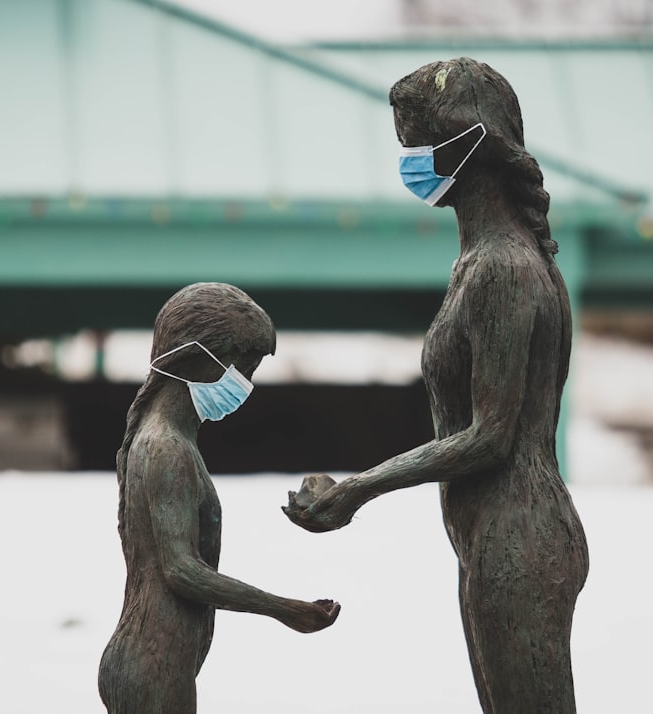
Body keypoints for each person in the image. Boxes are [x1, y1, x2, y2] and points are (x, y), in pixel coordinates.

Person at [284, 58, 589, 713]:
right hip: (491, 536)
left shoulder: (503, 270)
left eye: (416, 145)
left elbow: (491, 437)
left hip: (520, 538)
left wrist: (359, 488)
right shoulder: (479, 264)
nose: (410, 162)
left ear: (470, 143)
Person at [99, 282, 340, 714]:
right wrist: (284, 609)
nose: (246, 383)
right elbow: (181, 571)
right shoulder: (166, 447)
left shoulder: (171, 443)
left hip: (159, 657)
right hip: (153, 661)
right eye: (244, 365)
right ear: (194, 359)